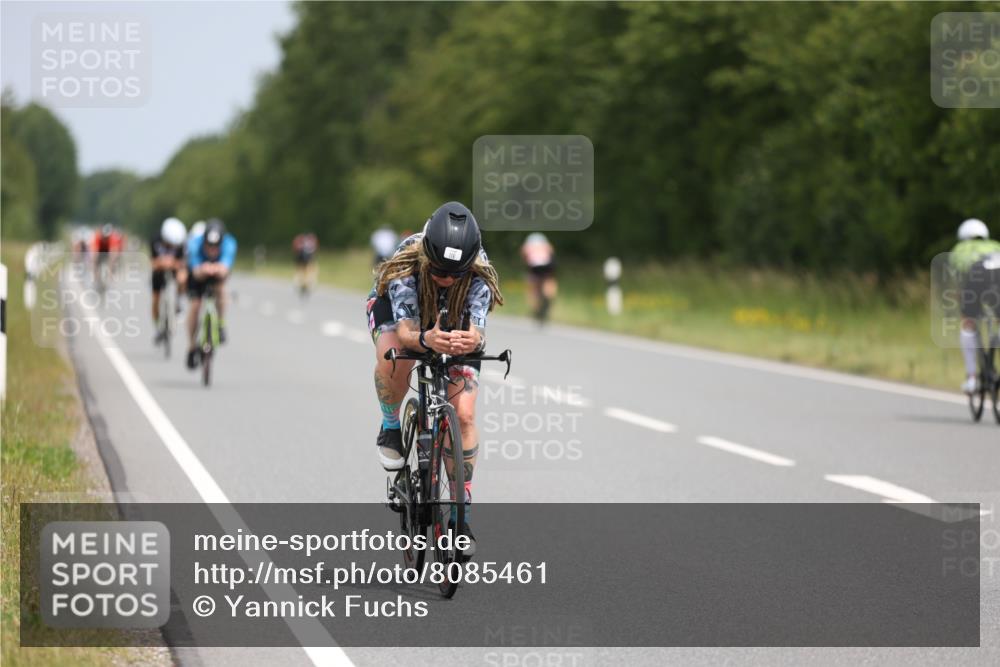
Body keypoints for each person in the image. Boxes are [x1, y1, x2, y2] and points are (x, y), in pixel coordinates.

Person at [366, 202, 503, 551]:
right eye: (441, 270)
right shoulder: (407, 261)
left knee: (465, 412)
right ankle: (391, 426)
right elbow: (407, 331)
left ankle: (461, 514)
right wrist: (426, 339)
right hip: (399, 313)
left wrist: (473, 340)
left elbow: (478, 329)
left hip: (451, 314)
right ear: (428, 255)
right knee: (394, 356)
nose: (447, 278)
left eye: (457, 273)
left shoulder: (479, 271)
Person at [948, 218, 1000, 394]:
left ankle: (972, 378)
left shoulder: (960, 249)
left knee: (968, 323)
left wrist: (960, 296)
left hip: (977, 277)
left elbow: (959, 280)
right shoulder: (995, 245)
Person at [186, 219, 237, 369]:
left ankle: (220, 323)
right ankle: (191, 346)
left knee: (221, 289)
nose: (212, 250)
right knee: (195, 306)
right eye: (209, 246)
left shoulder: (229, 243)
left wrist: (219, 268)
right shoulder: (194, 243)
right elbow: (195, 270)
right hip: (199, 274)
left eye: (216, 247)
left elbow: (226, 266)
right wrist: (202, 269)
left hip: (217, 272)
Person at [151, 217, 188, 338]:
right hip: (159, 270)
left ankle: (179, 301)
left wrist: (172, 263)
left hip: (174, 268)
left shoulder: (182, 243)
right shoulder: (155, 240)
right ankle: (157, 325)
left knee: (183, 277)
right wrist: (162, 263)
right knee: (155, 299)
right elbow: (153, 262)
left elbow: (183, 263)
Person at [520, 232, 557, 324]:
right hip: (548, 265)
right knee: (549, 281)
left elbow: (524, 254)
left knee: (533, 288)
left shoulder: (528, 244)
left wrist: (527, 262)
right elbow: (552, 252)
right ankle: (548, 296)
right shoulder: (545, 244)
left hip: (534, 267)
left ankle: (536, 308)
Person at [292, 232, 319, 296]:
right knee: (310, 271)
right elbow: (314, 250)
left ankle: (300, 283)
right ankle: (307, 283)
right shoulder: (311, 243)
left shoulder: (301, 242)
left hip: (300, 258)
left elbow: (295, 249)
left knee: (301, 271)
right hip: (308, 259)